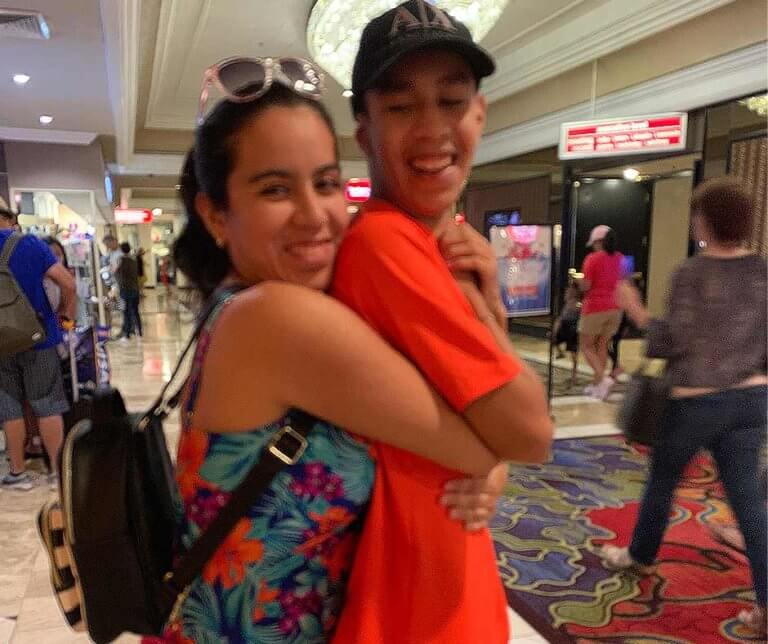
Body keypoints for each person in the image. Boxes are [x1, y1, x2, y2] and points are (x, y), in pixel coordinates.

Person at [148, 62, 512, 643]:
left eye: (325, 183)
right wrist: (478, 306)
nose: (316, 216)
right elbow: (499, 431)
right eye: (274, 189)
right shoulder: (277, 318)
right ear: (216, 214)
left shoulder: (244, 303)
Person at [329, 3, 553, 641]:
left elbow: (488, 423)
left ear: (480, 114)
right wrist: (496, 453)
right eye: (400, 107)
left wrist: (488, 307)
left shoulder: (447, 245)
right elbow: (530, 430)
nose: (432, 129)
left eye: (452, 100)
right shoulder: (383, 245)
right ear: (364, 130)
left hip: (444, 575)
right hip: (411, 601)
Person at [603, 177, 767, 635]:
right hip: (752, 400)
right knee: (749, 502)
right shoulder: (762, 272)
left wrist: (634, 309)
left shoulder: (692, 273)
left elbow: (667, 342)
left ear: (706, 221)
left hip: (697, 402)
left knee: (663, 480)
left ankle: (639, 554)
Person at [0, 200, 77, 490]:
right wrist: (65, 316)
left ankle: (18, 473)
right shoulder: (30, 244)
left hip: (1, 344)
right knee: (47, 404)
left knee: (9, 408)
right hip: (39, 336)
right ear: (9, 218)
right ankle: (58, 473)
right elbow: (67, 283)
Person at [578, 225, 625, 400]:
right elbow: (623, 282)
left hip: (595, 307)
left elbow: (586, 286)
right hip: (616, 308)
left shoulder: (592, 259)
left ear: (599, 242)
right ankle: (598, 386)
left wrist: (579, 282)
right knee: (602, 346)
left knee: (586, 346)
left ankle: (603, 380)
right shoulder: (621, 258)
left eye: (594, 243)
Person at [553, 280, 581, 386]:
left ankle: (574, 377)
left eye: (569, 291)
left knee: (574, 355)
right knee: (553, 340)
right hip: (565, 327)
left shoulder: (578, 304)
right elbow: (560, 318)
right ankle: (560, 353)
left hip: (573, 329)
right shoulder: (567, 305)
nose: (566, 294)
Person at [115, 242, 143, 339]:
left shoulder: (121, 260)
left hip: (125, 290)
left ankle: (127, 332)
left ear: (121, 250)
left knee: (126, 311)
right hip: (135, 288)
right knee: (135, 311)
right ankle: (139, 330)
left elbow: (117, 274)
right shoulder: (133, 260)